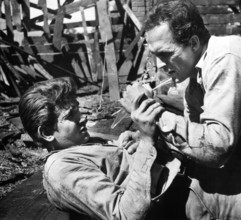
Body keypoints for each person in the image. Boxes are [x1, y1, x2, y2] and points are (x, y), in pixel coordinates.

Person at [128, 0, 241, 168]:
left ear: (193, 43)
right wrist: (148, 138)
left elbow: (216, 149)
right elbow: (196, 143)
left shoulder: (225, 58)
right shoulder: (195, 86)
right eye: (156, 55)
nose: (161, 64)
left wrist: (151, 113)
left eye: (166, 54)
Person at [18, 77, 187, 220]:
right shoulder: (62, 169)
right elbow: (126, 215)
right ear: (47, 132)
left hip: (178, 182)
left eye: (78, 110)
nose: (82, 118)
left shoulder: (77, 146)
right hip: (175, 201)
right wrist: (146, 141)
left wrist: (130, 143)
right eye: (70, 116)